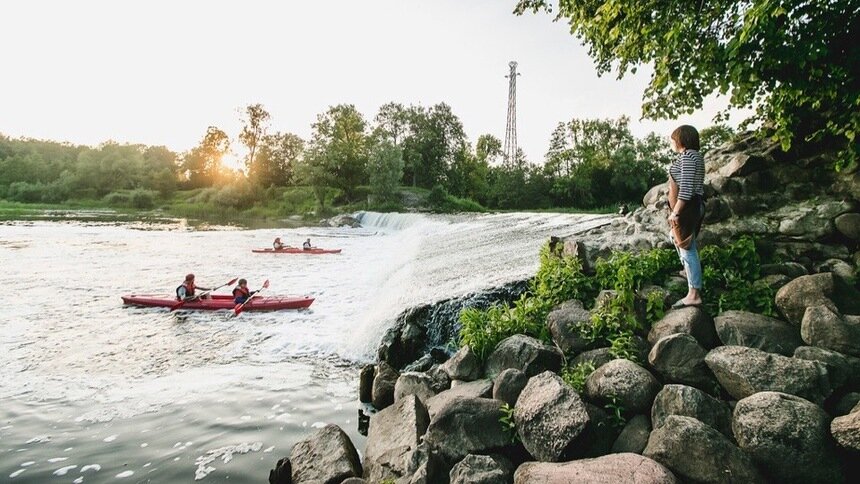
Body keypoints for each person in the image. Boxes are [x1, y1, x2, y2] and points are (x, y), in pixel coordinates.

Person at [666, 125, 706, 309]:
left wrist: (676, 211)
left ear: (682, 139)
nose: (672, 142)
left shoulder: (689, 157)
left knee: (686, 247)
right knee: (677, 239)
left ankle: (694, 294)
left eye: (673, 139)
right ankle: (690, 273)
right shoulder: (695, 156)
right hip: (692, 206)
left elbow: (687, 188)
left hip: (687, 208)